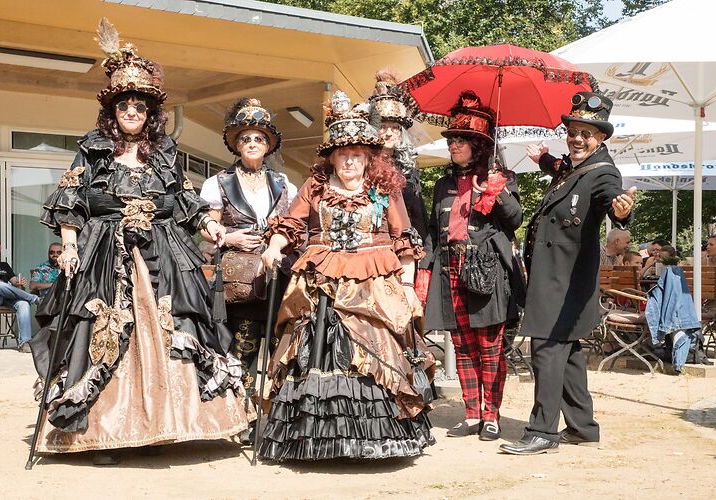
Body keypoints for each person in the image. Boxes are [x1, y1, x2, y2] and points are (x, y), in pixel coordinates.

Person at [30, 19, 251, 464]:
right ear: (112, 112)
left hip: (162, 251)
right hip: (103, 251)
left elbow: (186, 202)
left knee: (180, 326)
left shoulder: (165, 153)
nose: (131, 112)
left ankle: (176, 424)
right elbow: (70, 200)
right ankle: (103, 433)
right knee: (101, 332)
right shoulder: (92, 149)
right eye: (124, 105)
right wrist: (70, 245)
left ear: (150, 113)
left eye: (139, 106)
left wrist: (218, 230)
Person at [258, 91, 434, 461]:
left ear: (369, 157)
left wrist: (406, 285)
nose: (349, 161)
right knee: (313, 352)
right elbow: (291, 224)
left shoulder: (385, 190)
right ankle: (316, 439)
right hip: (321, 280)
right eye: (342, 153)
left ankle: (374, 438)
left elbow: (404, 241)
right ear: (332, 157)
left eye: (357, 154)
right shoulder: (316, 187)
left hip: (376, 282)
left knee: (380, 352)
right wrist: (274, 247)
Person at [500, 92, 635, 455]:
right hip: (553, 277)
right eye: (573, 130)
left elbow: (611, 201)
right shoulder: (575, 168)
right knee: (568, 351)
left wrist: (622, 212)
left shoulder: (605, 173)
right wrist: (542, 158)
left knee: (545, 347)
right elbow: (564, 175)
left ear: (601, 138)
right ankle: (583, 427)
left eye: (586, 133)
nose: (577, 138)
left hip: (566, 282)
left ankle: (542, 430)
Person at [418, 90, 524, 441]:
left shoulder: (501, 176)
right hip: (450, 269)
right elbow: (434, 232)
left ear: (478, 145)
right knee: (461, 344)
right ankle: (472, 413)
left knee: (489, 345)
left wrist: (498, 192)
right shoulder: (442, 184)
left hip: (486, 270)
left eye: (461, 140)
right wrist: (425, 270)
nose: (453, 145)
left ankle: (492, 415)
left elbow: (515, 220)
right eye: (452, 140)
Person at [199, 97, 297, 444]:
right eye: (246, 139)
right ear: (237, 145)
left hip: (278, 274)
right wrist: (226, 235)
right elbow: (207, 222)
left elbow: (296, 226)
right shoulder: (218, 183)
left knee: (275, 347)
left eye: (259, 138)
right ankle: (239, 414)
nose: (252, 144)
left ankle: (267, 415)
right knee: (242, 347)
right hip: (239, 276)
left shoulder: (285, 184)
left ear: (268, 145)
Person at [368, 69, 428, 241]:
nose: (389, 133)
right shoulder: (363, 164)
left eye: (394, 128)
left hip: (404, 240)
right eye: (383, 126)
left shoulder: (408, 169)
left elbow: (418, 213)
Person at [0, 239, 39, 353]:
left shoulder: (3, 265)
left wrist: (18, 282)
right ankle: (34, 299)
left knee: (23, 303)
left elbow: (13, 282)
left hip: (5, 297)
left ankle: (25, 342)